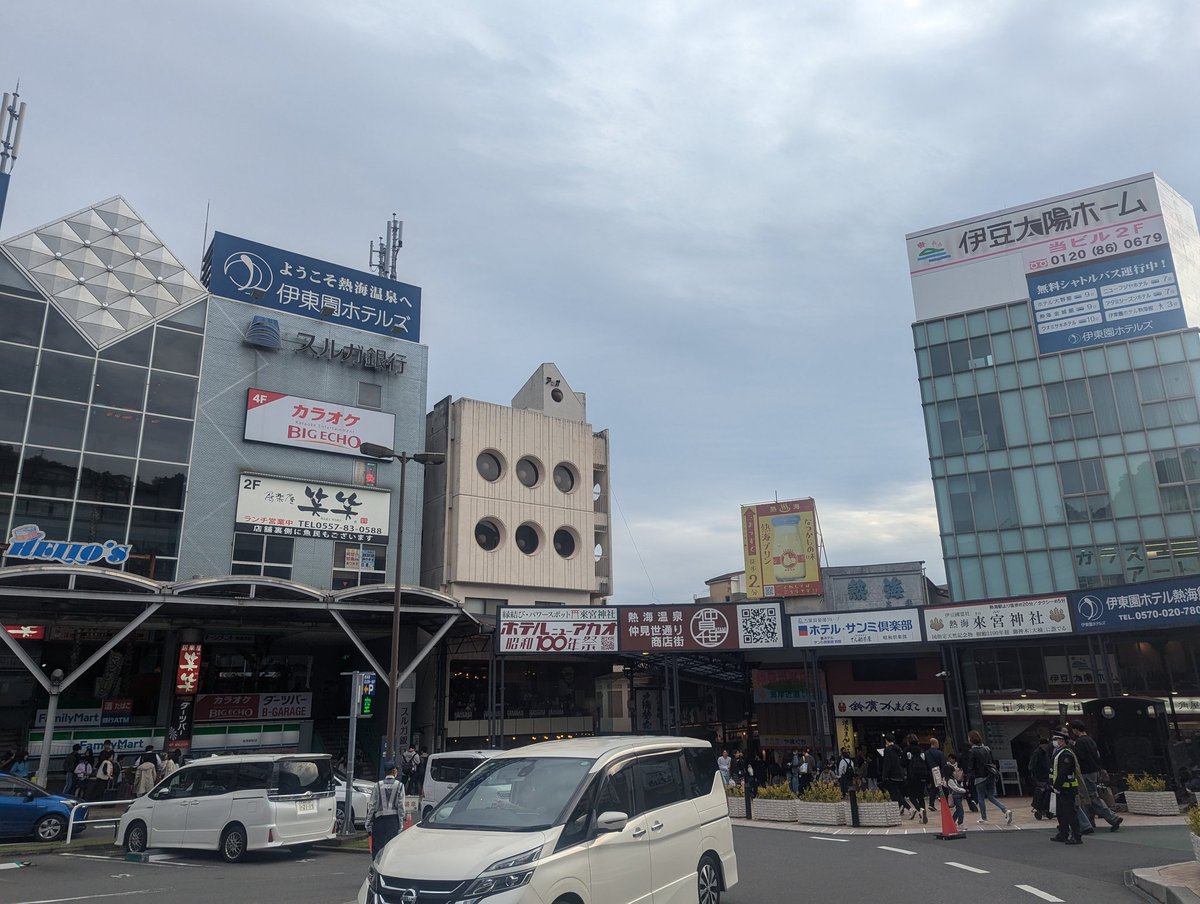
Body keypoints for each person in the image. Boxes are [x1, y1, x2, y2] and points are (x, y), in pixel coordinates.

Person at [1067, 720, 1122, 832]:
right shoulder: (1090, 740)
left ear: (1075, 729)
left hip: (1085, 773)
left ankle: (1112, 818)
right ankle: (1089, 822)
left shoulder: (1080, 742)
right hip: (1095, 772)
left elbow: (1079, 758)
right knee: (1090, 797)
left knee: (1091, 797)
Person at [966, 730, 1012, 825]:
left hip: (980, 777)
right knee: (991, 796)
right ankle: (1005, 810)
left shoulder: (972, 751)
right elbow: (993, 761)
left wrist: (969, 778)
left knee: (981, 798)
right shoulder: (987, 749)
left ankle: (984, 818)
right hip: (990, 774)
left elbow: (971, 766)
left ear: (971, 740)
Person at [1049, 728, 1083, 844]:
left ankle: (1076, 836)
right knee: (1060, 812)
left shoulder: (1066, 754)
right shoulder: (1059, 753)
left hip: (1067, 788)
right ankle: (1063, 833)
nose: (1055, 741)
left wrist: (1056, 786)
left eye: (1057, 739)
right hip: (1060, 788)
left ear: (1062, 741)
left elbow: (1064, 772)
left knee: (1070, 812)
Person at [366, 760, 405, 859]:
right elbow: (401, 807)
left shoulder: (377, 785)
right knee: (391, 849)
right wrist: (400, 824)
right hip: (393, 821)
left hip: (379, 821)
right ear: (393, 771)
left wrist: (368, 823)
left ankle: (376, 870)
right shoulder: (400, 785)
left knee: (378, 849)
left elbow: (372, 805)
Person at [902, 733, 929, 823]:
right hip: (922, 775)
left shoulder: (907, 750)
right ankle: (923, 814)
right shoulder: (921, 750)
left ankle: (920, 811)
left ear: (908, 741)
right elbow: (926, 762)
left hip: (912, 775)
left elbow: (903, 763)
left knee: (912, 796)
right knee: (921, 796)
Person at [1028, 736, 1053, 820]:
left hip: (1046, 776)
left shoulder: (1046, 752)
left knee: (1047, 792)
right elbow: (1032, 766)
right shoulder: (1037, 753)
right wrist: (1035, 777)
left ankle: (1045, 808)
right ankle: (1040, 807)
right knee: (1042, 791)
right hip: (1040, 777)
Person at [880, 735, 908, 811]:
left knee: (895, 793)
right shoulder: (899, 749)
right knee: (898, 792)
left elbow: (887, 764)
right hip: (900, 773)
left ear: (886, 740)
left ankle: (909, 808)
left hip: (892, 775)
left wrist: (885, 776)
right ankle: (900, 807)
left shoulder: (887, 750)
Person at [924, 737, 947, 812]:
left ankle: (931, 804)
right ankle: (945, 803)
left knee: (933, 789)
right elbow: (943, 764)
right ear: (935, 744)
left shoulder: (926, 753)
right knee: (943, 788)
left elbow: (925, 764)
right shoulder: (940, 753)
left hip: (931, 772)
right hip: (939, 772)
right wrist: (944, 774)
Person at [944, 754, 967, 825]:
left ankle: (952, 821)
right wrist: (963, 790)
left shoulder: (952, 779)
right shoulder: (950, 780)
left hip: (958, 796)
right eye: (953, 771)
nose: (955, 773)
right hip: (955, 796)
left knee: (958, 810)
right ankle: (960, 823)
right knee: (961, 810)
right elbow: (955, 788)